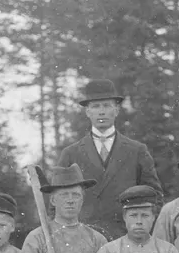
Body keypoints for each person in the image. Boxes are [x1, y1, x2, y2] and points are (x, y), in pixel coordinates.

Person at [56, 79, 163, 240]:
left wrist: (140, 231)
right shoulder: (70, 153)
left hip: (126, 238)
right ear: (87, 112)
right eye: (96, 106)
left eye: (106, 106)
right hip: (82, 239)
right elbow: (55, 203)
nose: (101, 112)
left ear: (117, 110)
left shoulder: (137, 151)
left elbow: (155, 198)